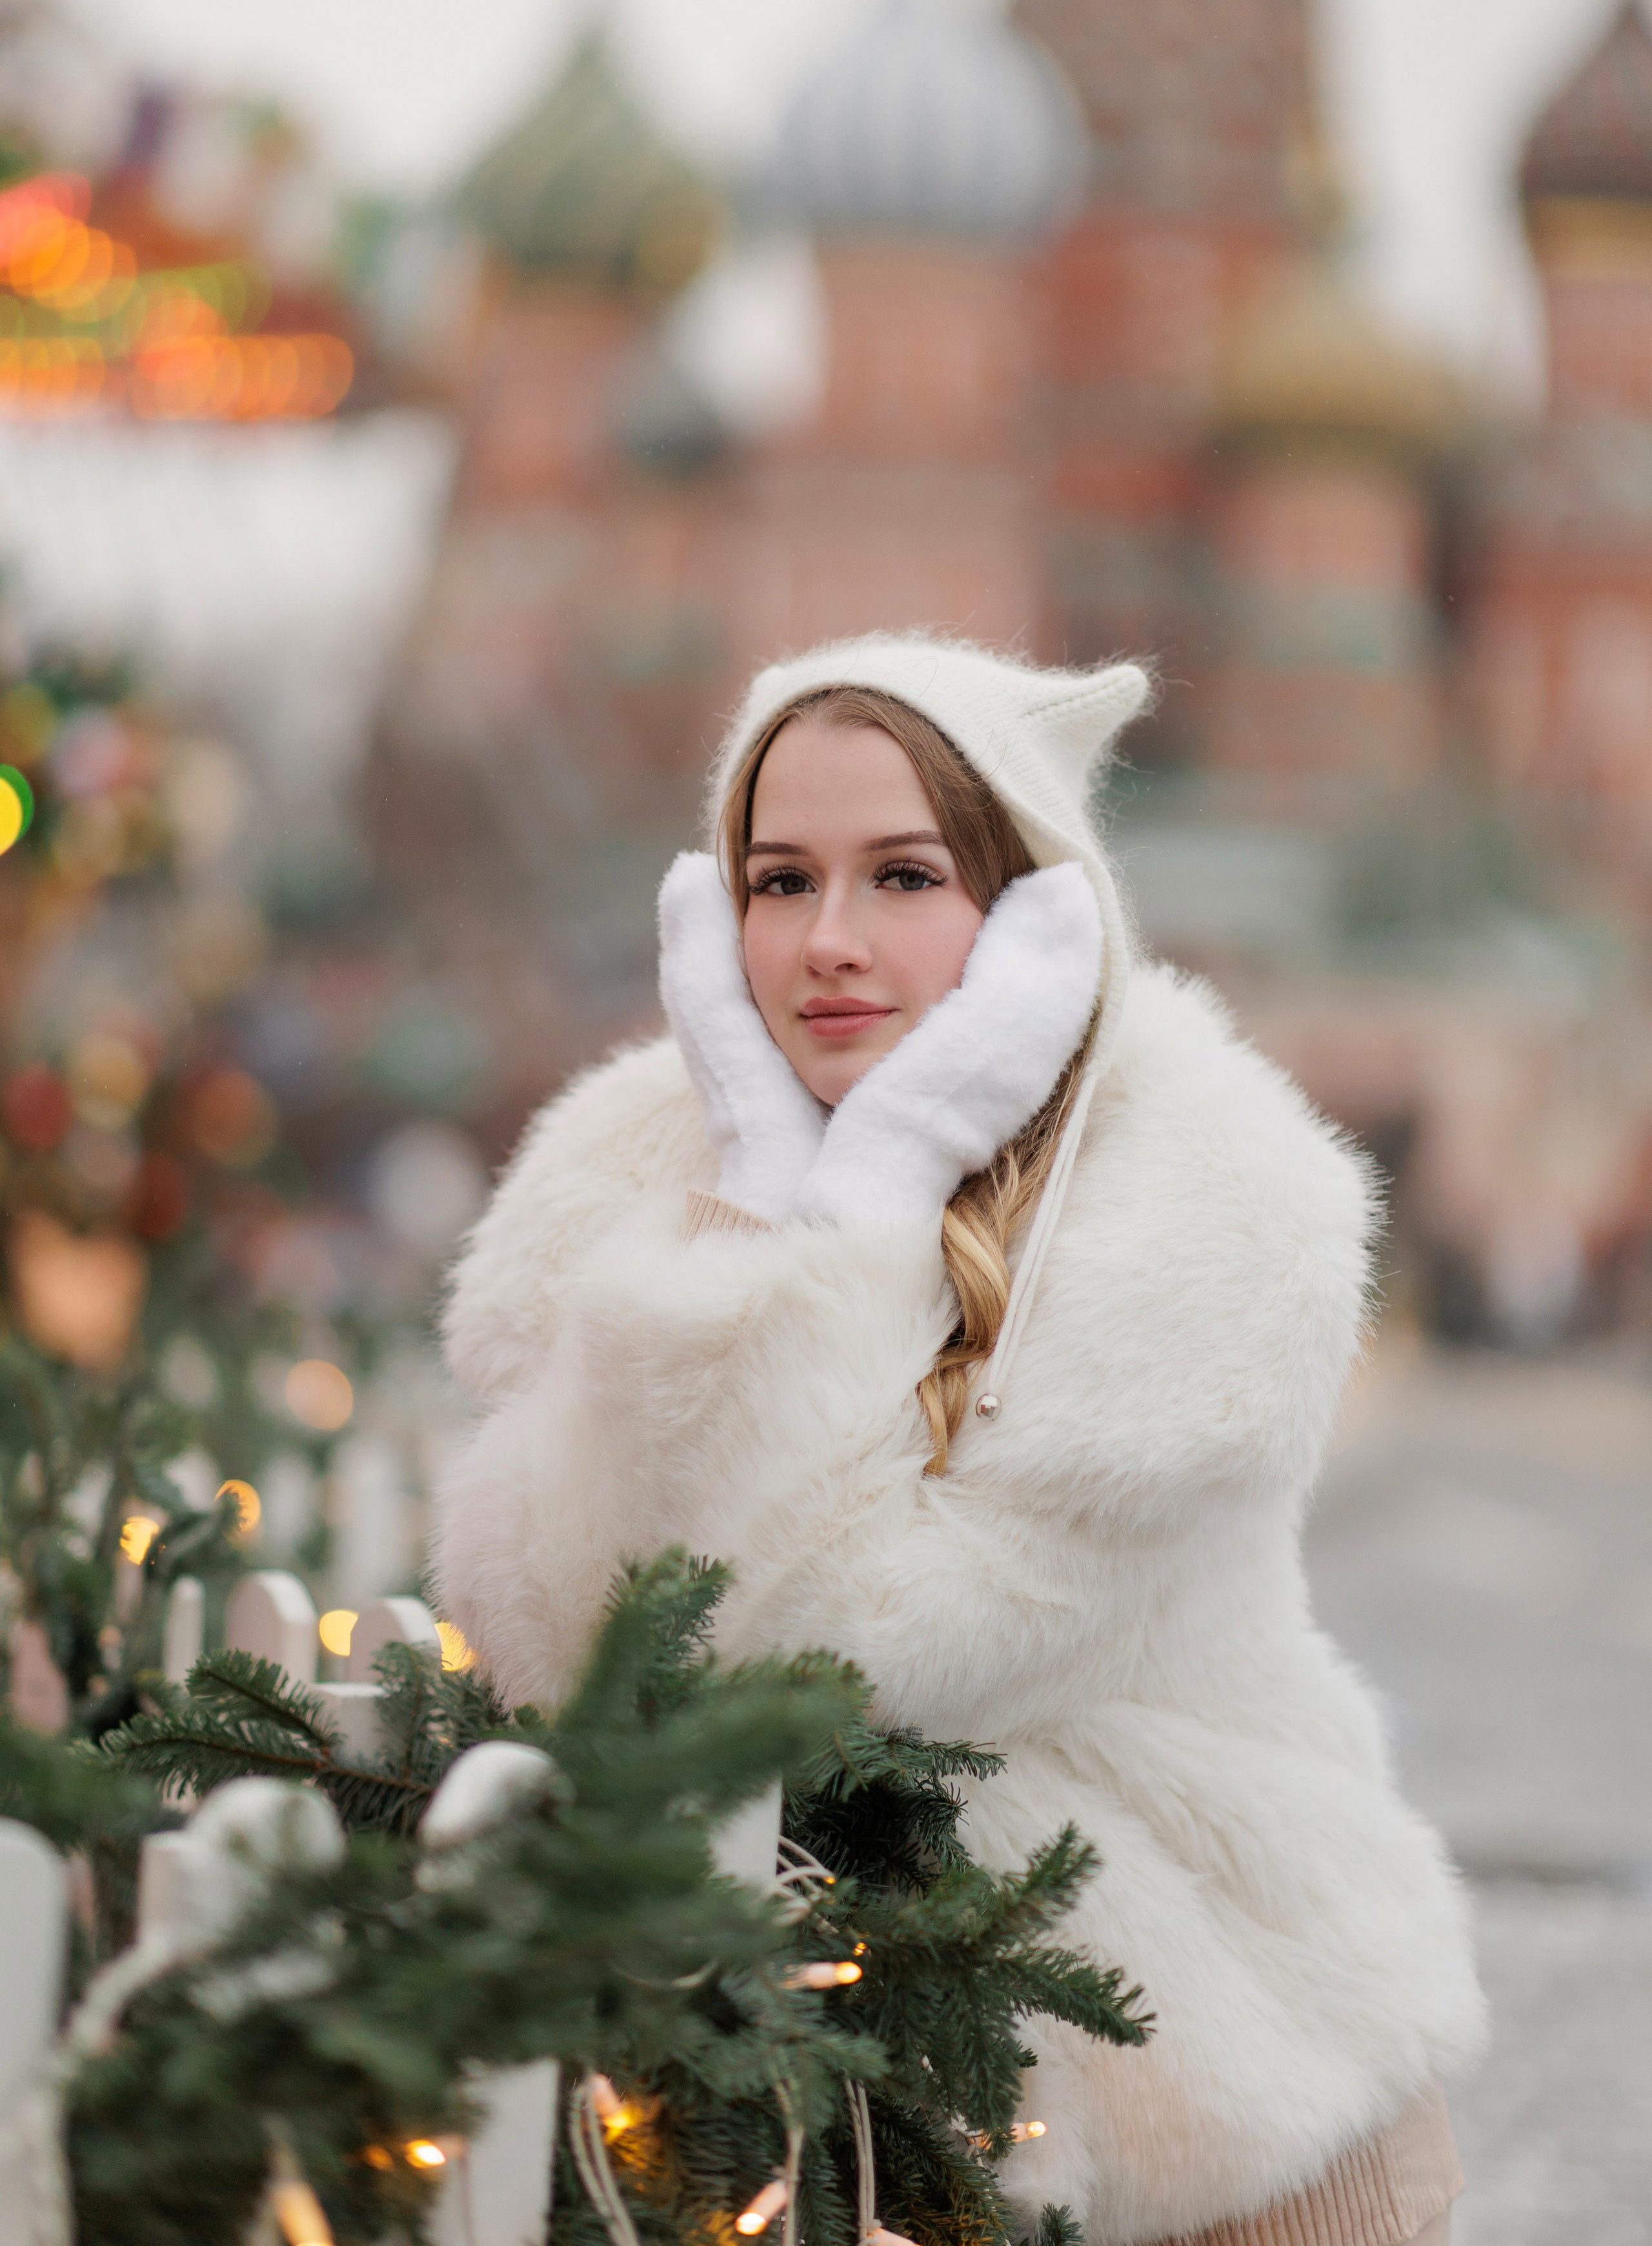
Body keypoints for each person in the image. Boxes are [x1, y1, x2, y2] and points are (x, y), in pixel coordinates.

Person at [432, 632, 1485, 2246]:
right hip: (743, 2114)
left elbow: (831, 1665)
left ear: (1030, 915)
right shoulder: (638, 1173)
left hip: (1213, 2101)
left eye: (903, 876)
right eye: (777, 882)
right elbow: (565, 1633)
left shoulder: (1208, 1215)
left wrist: (864, 1187)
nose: (829, 943)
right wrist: (749, 1200)